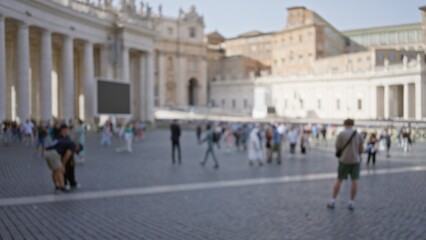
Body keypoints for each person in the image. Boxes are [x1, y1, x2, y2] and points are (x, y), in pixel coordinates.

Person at [327, 119, 364, 211]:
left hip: (344, 160)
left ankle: (332, 200)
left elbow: (338, 147)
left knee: (339, 180)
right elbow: (361, 150)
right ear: (352, 124)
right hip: (355, 160)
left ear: (345, 124)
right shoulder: (358, 135)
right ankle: (351, 202)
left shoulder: (341, 134)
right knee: (354, 181)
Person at [46, 124, 82, 192]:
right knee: (60, 170)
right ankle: (63, 186)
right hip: (55, 154)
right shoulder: (72, 145)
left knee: (55, 170)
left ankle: (57, 185)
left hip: (49, 152)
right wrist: (63, 165)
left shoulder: (65, 139)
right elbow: (67, 154)